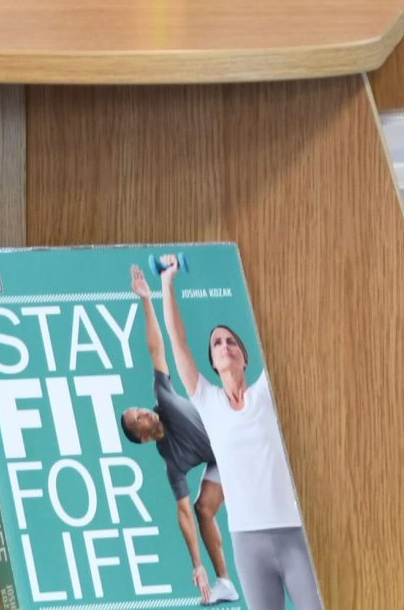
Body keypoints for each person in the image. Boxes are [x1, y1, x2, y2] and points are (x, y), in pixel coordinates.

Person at [156, 256, 322, 610]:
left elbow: (291, 335)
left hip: (293, 533)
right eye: (217, 343)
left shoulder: (267, 394)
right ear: (213, 363)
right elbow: (177, 342)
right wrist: (167, 283)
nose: (224, 346)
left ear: (245, 358)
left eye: (231, 342)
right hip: (247, 543)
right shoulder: (208, 402)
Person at [125, 265, 240, 605]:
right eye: (138, 418)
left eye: (139, 408)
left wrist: (146, 299)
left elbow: (156, 350)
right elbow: (184, 513)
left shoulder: (163, 398)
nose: (144, 411)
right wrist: (196, 565)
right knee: (202, 509)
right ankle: (224, 583)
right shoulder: (172, 462)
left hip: (236, 435)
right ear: (144, 437)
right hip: (222, 457)